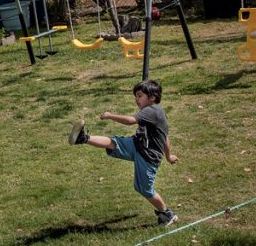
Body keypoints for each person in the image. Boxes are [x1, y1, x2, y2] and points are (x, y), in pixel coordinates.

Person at [68, 79, 179, 226]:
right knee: (114, 143)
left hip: (148, 156)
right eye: (135, 96)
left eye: (139, 95)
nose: (136, 99)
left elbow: (130, 120)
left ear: (152, 97)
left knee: (144, 189)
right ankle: (82, 138)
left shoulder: (153, 111)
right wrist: (169, 156)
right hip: (137, 145)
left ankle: (166, 214)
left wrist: (109, 115)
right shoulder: (154, 113)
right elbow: (165, 137)